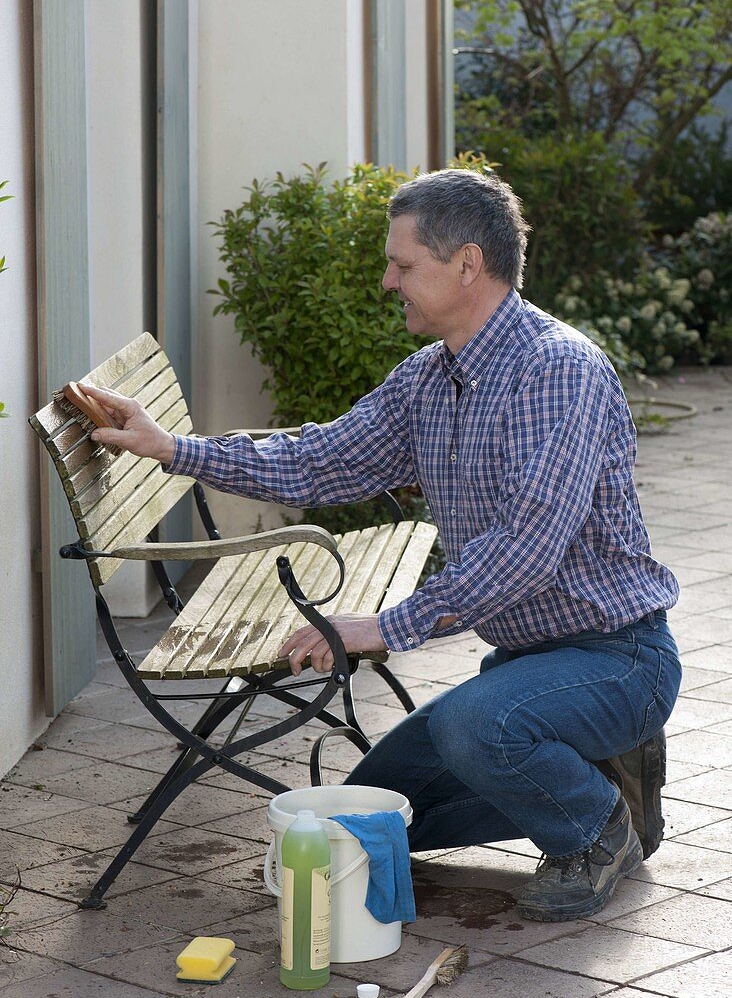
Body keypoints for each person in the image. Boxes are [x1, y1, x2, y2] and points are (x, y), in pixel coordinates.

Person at [81, 168, 681, 922]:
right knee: (379, 819)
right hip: (529, 665)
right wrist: (174, 448)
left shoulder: (557, 371)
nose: (387, 281)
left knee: (475, 728)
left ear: (467, 265)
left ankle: (599, 830)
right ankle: (595, 770)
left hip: (615, 658)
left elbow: (528, 546)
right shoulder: (430, 380)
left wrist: (387, 625)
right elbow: (321, 458)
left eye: (402, 266)